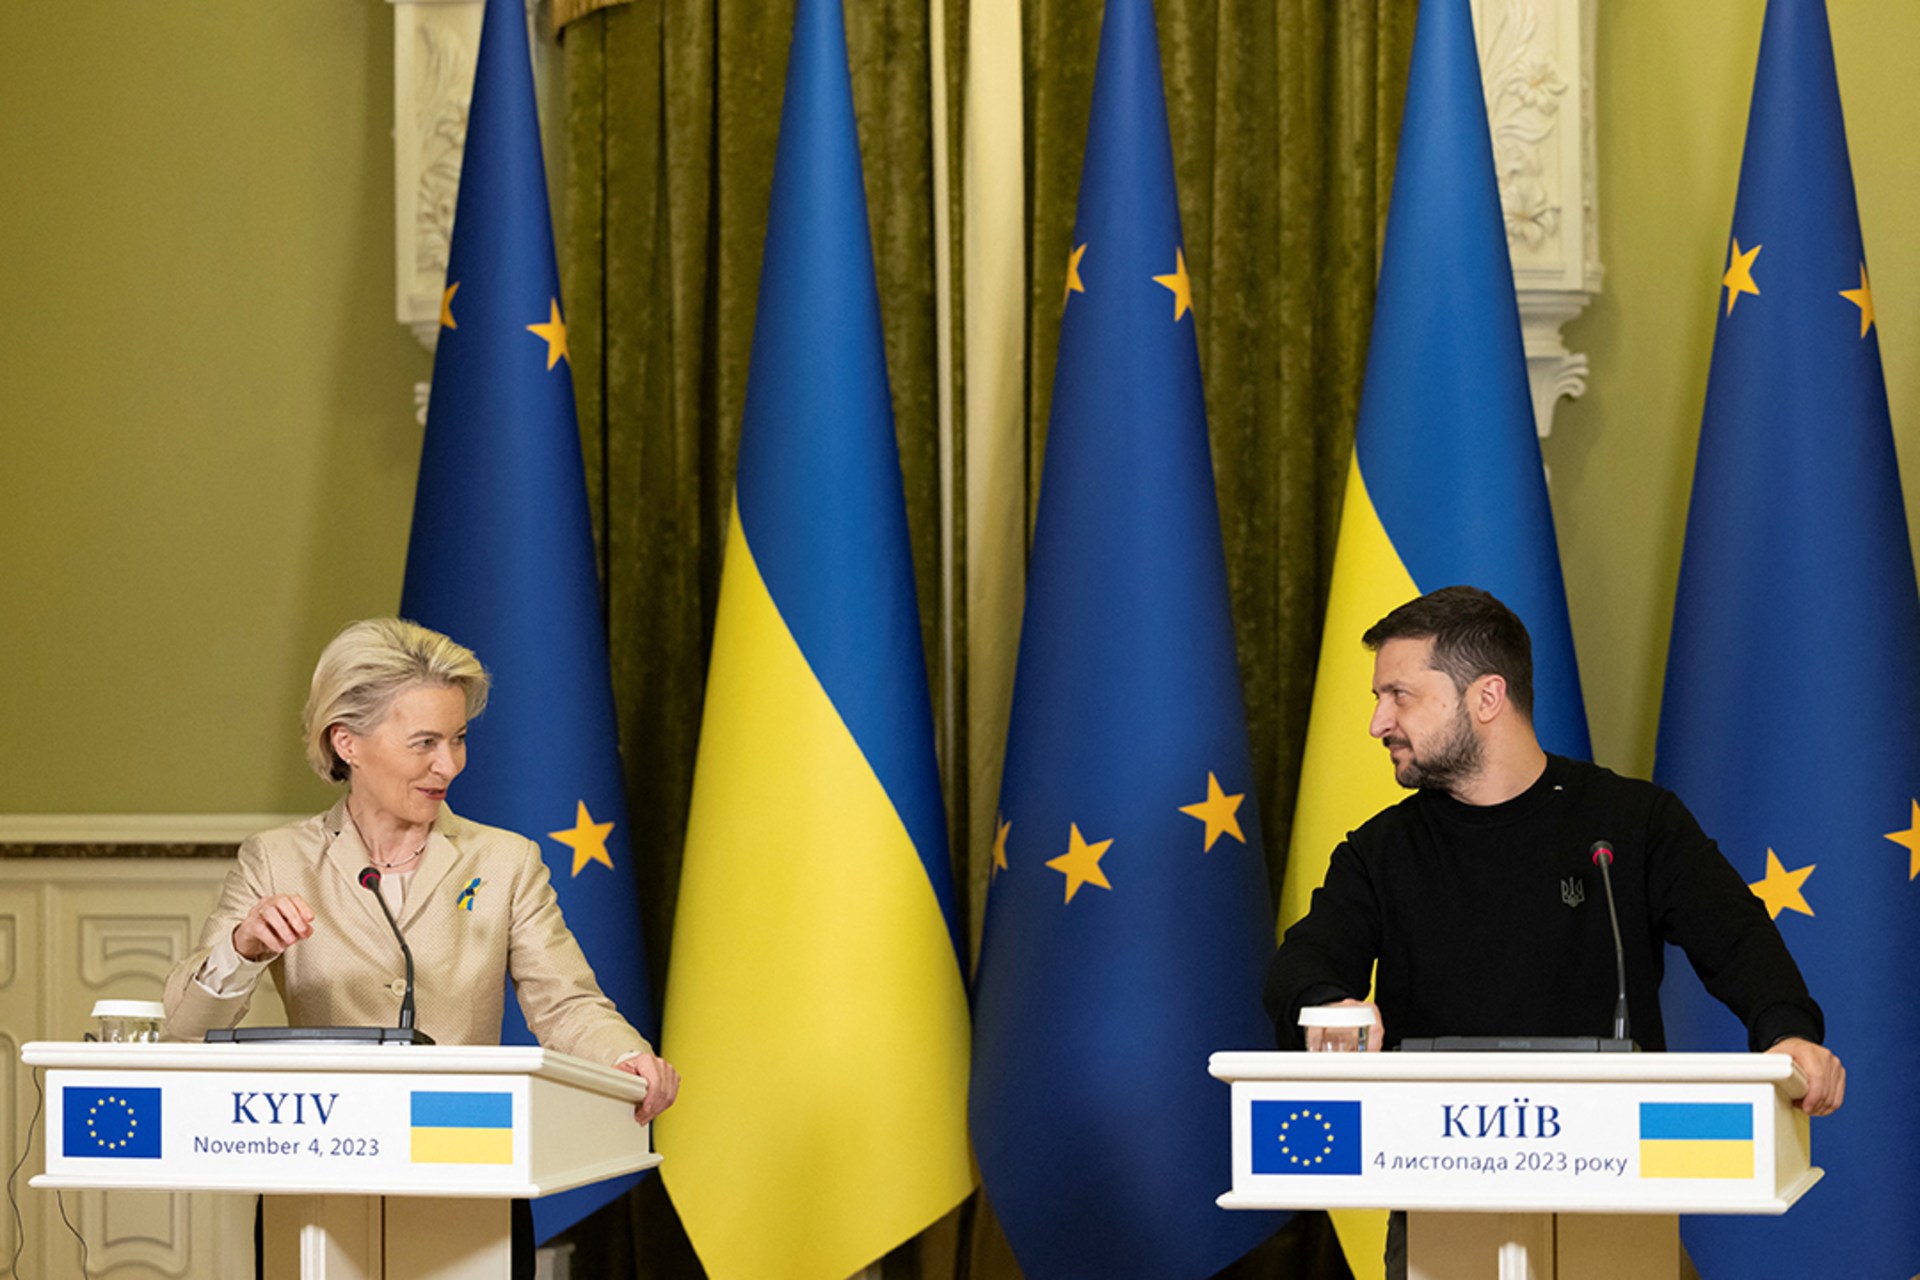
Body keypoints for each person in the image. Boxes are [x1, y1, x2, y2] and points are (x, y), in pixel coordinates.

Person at [1265, 586, 1843, 1109]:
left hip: (1618, 1170)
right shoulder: (1380, 851)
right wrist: (1329, 1005)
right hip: (1436, 1174)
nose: (1377, 722)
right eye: (1378, 697)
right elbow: (1301, 965)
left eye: (1399, 696)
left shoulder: (1633, 823)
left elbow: (1740, 941)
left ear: (1487, 697)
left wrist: (1787, 1033)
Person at [164, 617, 680, 1118]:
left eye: (457, 738)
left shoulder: (506, 862)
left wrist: (625, 1057)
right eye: (425, 743)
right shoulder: (277, 860)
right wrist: (242, 948)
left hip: (465, 1158)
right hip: (323, 1163)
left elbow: (565, 1004)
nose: (449, 765)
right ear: (347, 743)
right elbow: (184, 1029)